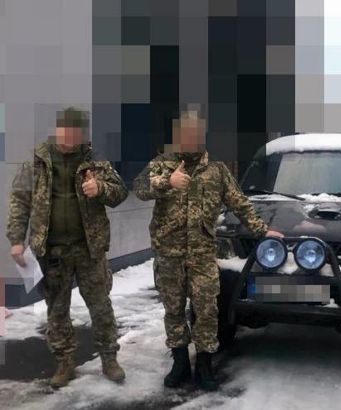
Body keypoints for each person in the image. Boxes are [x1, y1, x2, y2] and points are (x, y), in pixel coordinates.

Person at [134, 108, 283, 391]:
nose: (190, 139)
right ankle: (179, 362)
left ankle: (204, 364)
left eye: (195, 134)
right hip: (169, 254)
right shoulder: (161, 164)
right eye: (185, 133)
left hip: (202, 255)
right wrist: (167, 182)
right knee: (173, 309)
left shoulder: (217, 170)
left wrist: (261, 230)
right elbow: (140, 188)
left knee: (207, 310)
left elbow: (239, 202)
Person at [7, 107, 129, 388]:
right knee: (57, 310)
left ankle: (109, 359)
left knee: (101, 306)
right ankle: (65, 362)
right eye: (65, 130)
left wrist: (101, 188)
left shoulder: (95, 160)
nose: (70, 136)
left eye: (76, 131)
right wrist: (16, 240)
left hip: (89, 249)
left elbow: (120, 192)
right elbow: (20, 201)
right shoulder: (36, 162)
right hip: (53, 252)